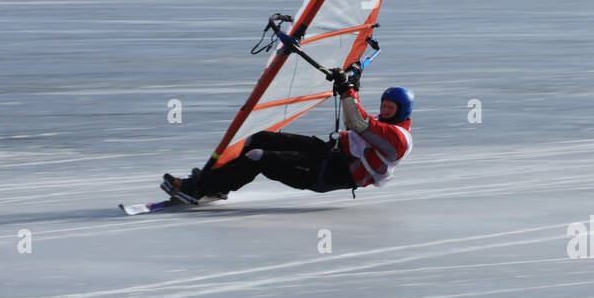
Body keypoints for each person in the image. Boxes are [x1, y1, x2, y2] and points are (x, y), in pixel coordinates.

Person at [161, 77, 414, 204]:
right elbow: (356, 120)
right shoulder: (383, 125)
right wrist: (352, 86)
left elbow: (358, 124)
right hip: (329, 151)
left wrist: (348, 91)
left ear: (403, 111)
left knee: (257, 157)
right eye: (384, 105)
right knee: (257, 138)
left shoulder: (398, 139)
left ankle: (198, 190)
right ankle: (217, 183)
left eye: (391, 108)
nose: (385, 110)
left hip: (330, 172)